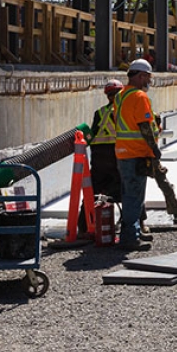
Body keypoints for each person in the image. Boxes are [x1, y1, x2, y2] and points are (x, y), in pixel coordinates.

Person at [114, 59, 160, 251]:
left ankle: (134, 231)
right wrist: (154, 148)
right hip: (136, 152)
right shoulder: (139, 96)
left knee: (130, 194)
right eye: (147, 78)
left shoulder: (120, 95)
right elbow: (144, 126)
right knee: (134, 196)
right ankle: (130, 238)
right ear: (141, 76)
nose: (148, 82)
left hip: (123, 152)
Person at [79, 79, 124, 238]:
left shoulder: (99, 113)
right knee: (130, 190)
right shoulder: (123, 112)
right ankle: (136, 226)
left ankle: (83, 228)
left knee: (93, 193)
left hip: (99, 158)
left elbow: (91, 135)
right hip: (118, 155)